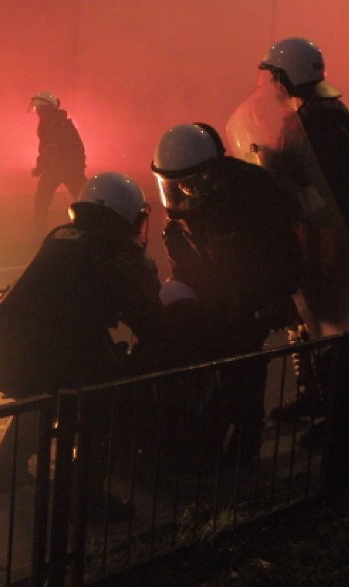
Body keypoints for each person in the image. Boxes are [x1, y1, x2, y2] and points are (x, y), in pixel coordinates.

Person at [0, 172, 163, 517]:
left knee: (42, 397)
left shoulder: (60, 236)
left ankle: (0, 475)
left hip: (8, 355)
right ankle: (84, 494)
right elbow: (148, 319)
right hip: (55, 355)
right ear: (128, 214)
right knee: (114, 401)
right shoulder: (119, 250)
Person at [251, 37, 349, 447]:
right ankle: (312, 398)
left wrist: (265, 162)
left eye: (272, 75)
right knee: (305, 320)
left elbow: (300, 169)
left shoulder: (312, 120)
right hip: (328, 230)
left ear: (287, 76)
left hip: (331, 234)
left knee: (333, 325)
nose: (268, 83)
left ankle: (341, 422)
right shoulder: (327, 110)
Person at [150, 122, 301, 473]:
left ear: (210, 175)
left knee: (244, 361)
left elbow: (281, 249)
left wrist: (273, 298)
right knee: (216, 357)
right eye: (172, 186)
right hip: (219, 290)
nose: (179, 195)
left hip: (256, 291)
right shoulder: (184, 211)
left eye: (187, 184)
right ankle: (203, 433)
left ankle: (244, 440)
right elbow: (182, 258)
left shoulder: (251, 195)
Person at [29, 90, 87, 238]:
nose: (37, 112)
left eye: (39, 108)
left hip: (68, 170)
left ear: (46, 108)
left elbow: (77, 149)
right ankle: (39, 232)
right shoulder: (46, 125)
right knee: (41, 200)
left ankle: (96, 228)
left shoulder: (62, 125)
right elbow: (45, 150)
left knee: (86, 199)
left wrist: (77, 170)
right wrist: (40, 167)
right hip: (54, 170)